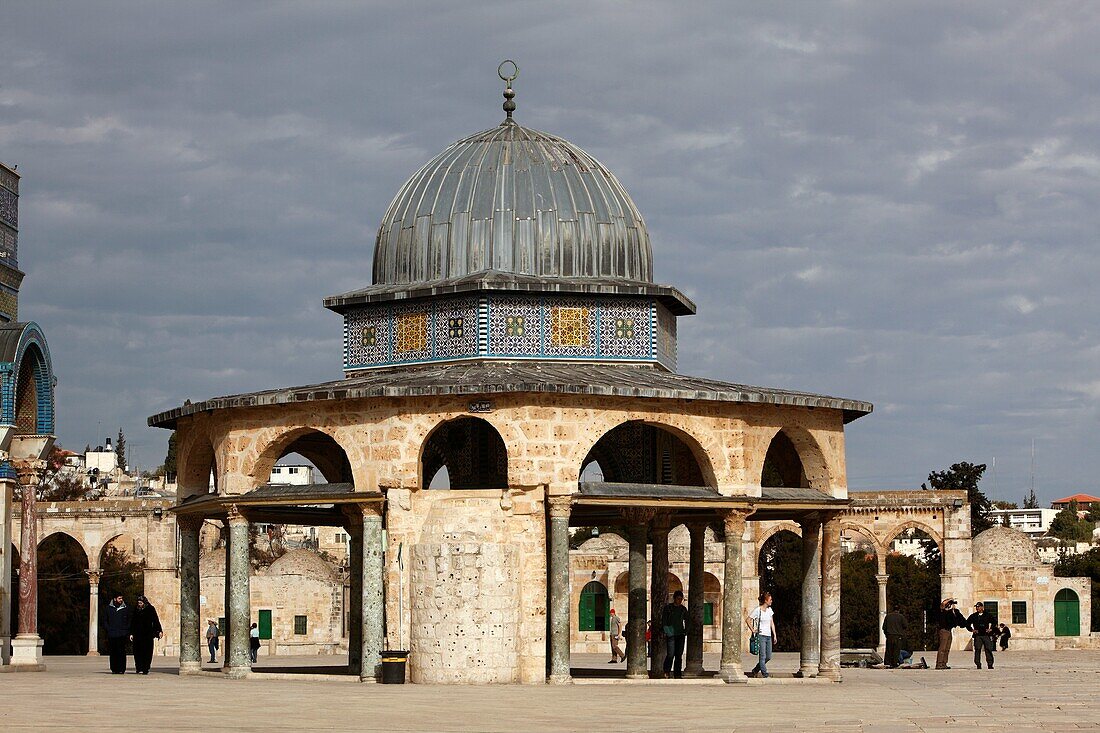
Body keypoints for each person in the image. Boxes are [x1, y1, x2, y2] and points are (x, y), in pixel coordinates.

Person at [745, 592, 777, 679]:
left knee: (768, 656)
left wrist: (774, 635)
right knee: (762, 656)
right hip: (761, 635)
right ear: (766, 600)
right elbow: (748, 620)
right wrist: (753, 630)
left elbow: (772, 623)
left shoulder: (770, 610)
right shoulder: (757, 610)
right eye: (770, 600)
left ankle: (755, 670)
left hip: (768, 636)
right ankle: (765, 674)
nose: (771, 601)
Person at [129, 595, 162, 675]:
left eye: (141, 603)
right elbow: (133, 622)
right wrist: (131, 633)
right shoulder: (136, 609)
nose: (139, 604)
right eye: (138, 603)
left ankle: (146, 668)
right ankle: (138, 667)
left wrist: (159, 631)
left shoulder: (150, 609)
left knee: (147, 652)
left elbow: (155, 620)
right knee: (137, 652)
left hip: (147, 634)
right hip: (137, 634)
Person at [660, 590, 688, 678]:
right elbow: (664, 621)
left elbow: (687, 620)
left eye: (681, 599)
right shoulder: (668, 608)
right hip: (671, 634)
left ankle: (677, 673)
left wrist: (685, 631)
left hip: (680, 634)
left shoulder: (683, 609)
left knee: (678, 655)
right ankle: (667, 671)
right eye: (678, 599)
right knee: (670, 654)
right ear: (674, 598)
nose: (679, 601)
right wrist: (667, 631)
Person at [935, 598, 966, 670]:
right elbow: (942, 605)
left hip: (949, 631)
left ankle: (944, 663)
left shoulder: (951, 613)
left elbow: (959, 620)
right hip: (943, 631)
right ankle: (939, 664)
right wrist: (949, 600)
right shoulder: (942, 611)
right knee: (942, 648)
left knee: (947, 648)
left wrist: (953, 611)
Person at [965, 602, 997, 670]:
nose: (977, 608)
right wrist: (972, 630)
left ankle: (990, 664)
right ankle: (978, 664)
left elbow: (994, 622)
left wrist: (991, 629)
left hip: (986, 635)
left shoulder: (987, 615)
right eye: (976, 607)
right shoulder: (973, 616)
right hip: (978, 635)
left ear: (982, 607)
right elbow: (967, 623)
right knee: (977, 649)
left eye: (979, 607)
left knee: (988, 649)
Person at [105, 594, 131, 674]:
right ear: (115, 599)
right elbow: (105, 620)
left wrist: (125, 630)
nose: (121, 600)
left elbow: (129, 620)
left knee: (122, 652)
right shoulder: (108, 609)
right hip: (112, 634)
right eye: (119, 598)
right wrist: (109, 629)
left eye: (121, 598)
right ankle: (114, 668)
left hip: (122, 634)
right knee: (113, 652)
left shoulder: (125, 609)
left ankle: (121, 668)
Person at [882, 604, 908, 668]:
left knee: (888, 650)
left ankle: (887, 663)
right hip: (898, 636)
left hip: (889, 636)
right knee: (896, 651)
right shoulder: (901, 617)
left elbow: (884, 627)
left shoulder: (888, 616)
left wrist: (886, 635)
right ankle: (894, 663)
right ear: (899, 610)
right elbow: (905, 626)